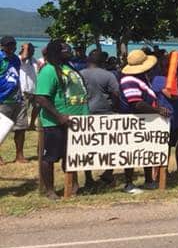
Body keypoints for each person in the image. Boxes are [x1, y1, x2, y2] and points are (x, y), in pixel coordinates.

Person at [33, 40, 89, 199]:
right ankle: (50, 190)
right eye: (65, 48)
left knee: (71, 155)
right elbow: (41, 98)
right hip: (55, 123)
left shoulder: (68, 68)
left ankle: (73, 185)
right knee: (49, 157)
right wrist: (59, 116)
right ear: (56, 52)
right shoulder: (49, 71)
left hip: (76, 122)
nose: (69, 50)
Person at [120, 49, 169, 192]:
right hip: (133, 120)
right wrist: (157, 110)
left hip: (145, 120)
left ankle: (148, 180)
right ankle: (129, 184)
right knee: (131, 153)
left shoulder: (141, 78)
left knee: (146, 150)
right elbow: (136, 103)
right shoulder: (129, 80)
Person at [79, 50, 121, 189]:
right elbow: (116, 93)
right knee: (110, 146)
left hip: (85, 113)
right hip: (105, 113)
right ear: (103, 62)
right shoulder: (109, 75)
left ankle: (88, 177)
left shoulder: (80, 74)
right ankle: (108, 172)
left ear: (88, 60)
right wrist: (113, 106)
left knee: (87, 147)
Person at [151, 52, 178, 176]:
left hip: (177, 117)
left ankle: (169, 169)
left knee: (174, 144)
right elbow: (172, 95)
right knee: (163, 146)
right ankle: (159, 172)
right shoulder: (159, 80)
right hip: (166, 117)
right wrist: (173, 82)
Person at [12, 42, 38, 162]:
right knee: (14, 124)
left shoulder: (34, 60)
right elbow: (23, 58)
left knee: (23, 124)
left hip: (33, 90)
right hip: (22, 92)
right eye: (30, 49)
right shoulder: (18, 59)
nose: (32, 51)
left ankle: (32, 124)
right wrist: (26, 48)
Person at [0, 35, 22, 166]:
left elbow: (17, 76)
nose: (11, 47)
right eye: (8, 45)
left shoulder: (16, 59)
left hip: (17, 98)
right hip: (2, 99)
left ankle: (19, 155)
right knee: (1, 129)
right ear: (2, 46)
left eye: (13, 44)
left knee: (21, 127)